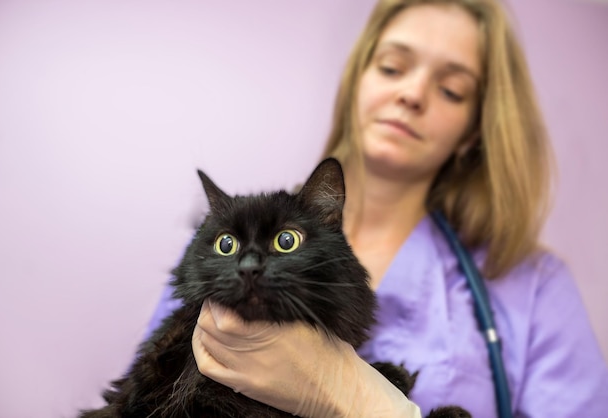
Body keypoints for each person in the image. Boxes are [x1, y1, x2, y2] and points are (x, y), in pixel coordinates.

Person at [146, 0, 608, 416]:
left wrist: (365, 402)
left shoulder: (536, 289)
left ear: (473, 132)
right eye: (391, 67)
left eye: (451, 90)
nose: (412, 94)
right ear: (356, 83)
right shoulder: (217, 246)